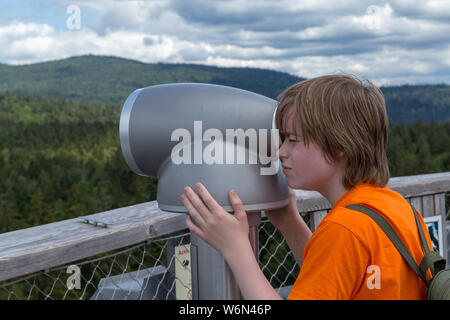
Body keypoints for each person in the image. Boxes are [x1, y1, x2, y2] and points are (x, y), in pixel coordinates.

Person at [180, 74, 434, 300]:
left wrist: (235, 247)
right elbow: (341, 274)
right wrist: (291, 224)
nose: (281, 151)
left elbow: (341, 253)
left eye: (292, 140)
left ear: (338, 146)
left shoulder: (344, 228)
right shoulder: (397, 207)